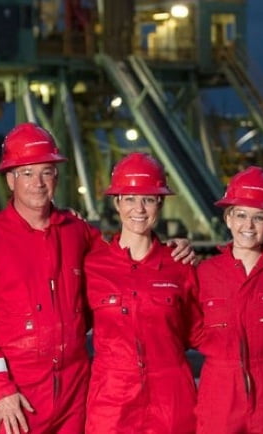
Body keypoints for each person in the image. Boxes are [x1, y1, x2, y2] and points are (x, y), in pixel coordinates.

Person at [0, 126, 195, 434]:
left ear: (57, 178)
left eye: (46, 172)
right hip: (16, 395)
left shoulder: (77, 232)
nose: (37, 183)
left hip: (75, 394)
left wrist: (174, 250)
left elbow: (126, 265)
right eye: (26, 173)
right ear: (10, 179)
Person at [83, 152, 201, 434]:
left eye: (148, 199)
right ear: (117, 203)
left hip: (170, 398)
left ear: (159, 204)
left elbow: (198, 331)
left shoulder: (179, 265)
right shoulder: (93, 265)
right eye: (130, 199)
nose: (139, 208)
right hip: (111, 400)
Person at [195, 166, 263, 434]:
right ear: (228, 218)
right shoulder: (204, 273)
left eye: (259, 217)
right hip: (219, 388)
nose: (248, 226)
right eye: (241, 215)